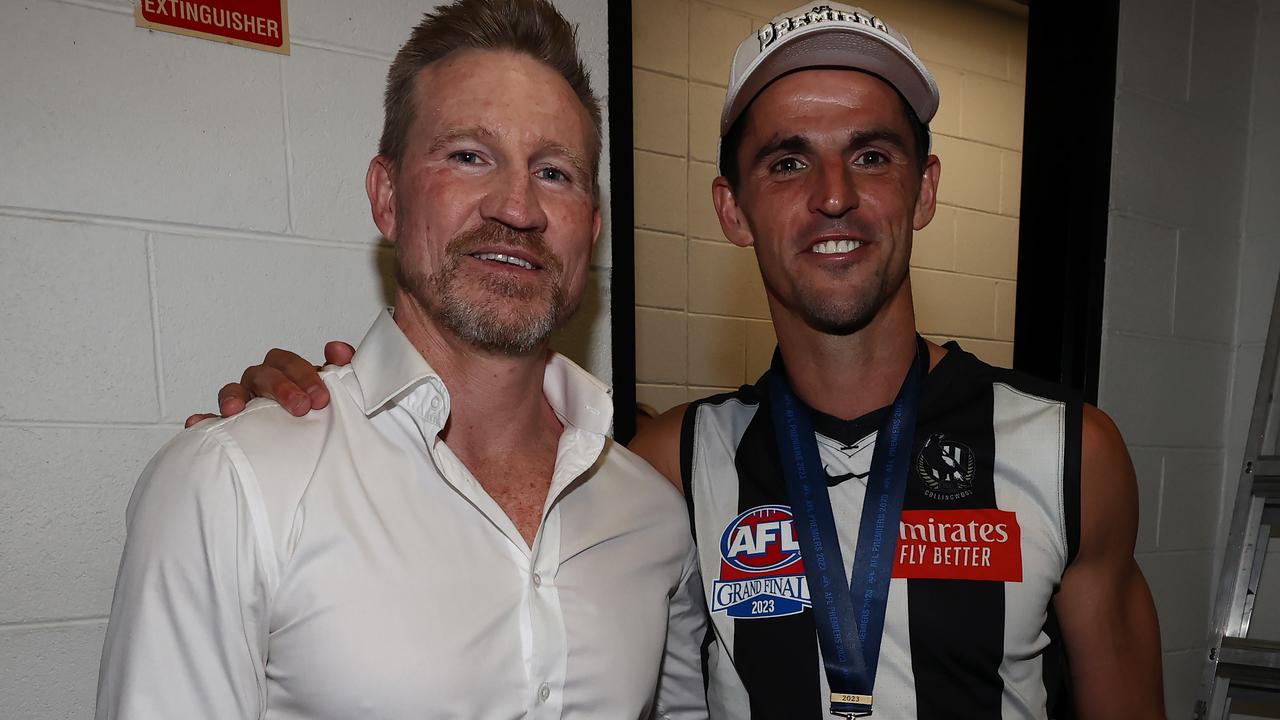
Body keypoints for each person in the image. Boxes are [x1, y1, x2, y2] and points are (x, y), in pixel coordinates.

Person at [205, 3, 1165, 719]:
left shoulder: (1072, 455)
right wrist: (312, 419)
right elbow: (480, 463)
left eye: (872, 156)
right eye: (787, 162)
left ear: (924, 189)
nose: (834, 196)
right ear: (731, 209)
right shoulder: (664, 469)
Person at [96, 1, 708, 718]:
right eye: (469, 156)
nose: (517, 206)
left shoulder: (656, 521)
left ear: (591, 229)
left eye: (554, 172)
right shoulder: (234, 487)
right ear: (387, 198)